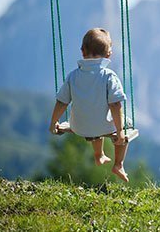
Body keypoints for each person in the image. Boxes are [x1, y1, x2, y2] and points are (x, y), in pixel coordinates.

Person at [49, 28, 130, 182]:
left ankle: (98, 154)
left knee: (92, 112)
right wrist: (119, 132)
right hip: (104, 127)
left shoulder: (73, 76)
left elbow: (61, 101)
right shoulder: (109, 76)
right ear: (109, 54)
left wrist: (53, 122)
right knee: (125, 123)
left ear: (82, 51)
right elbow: (115, 105)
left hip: (79, 127)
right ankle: (118, 164)